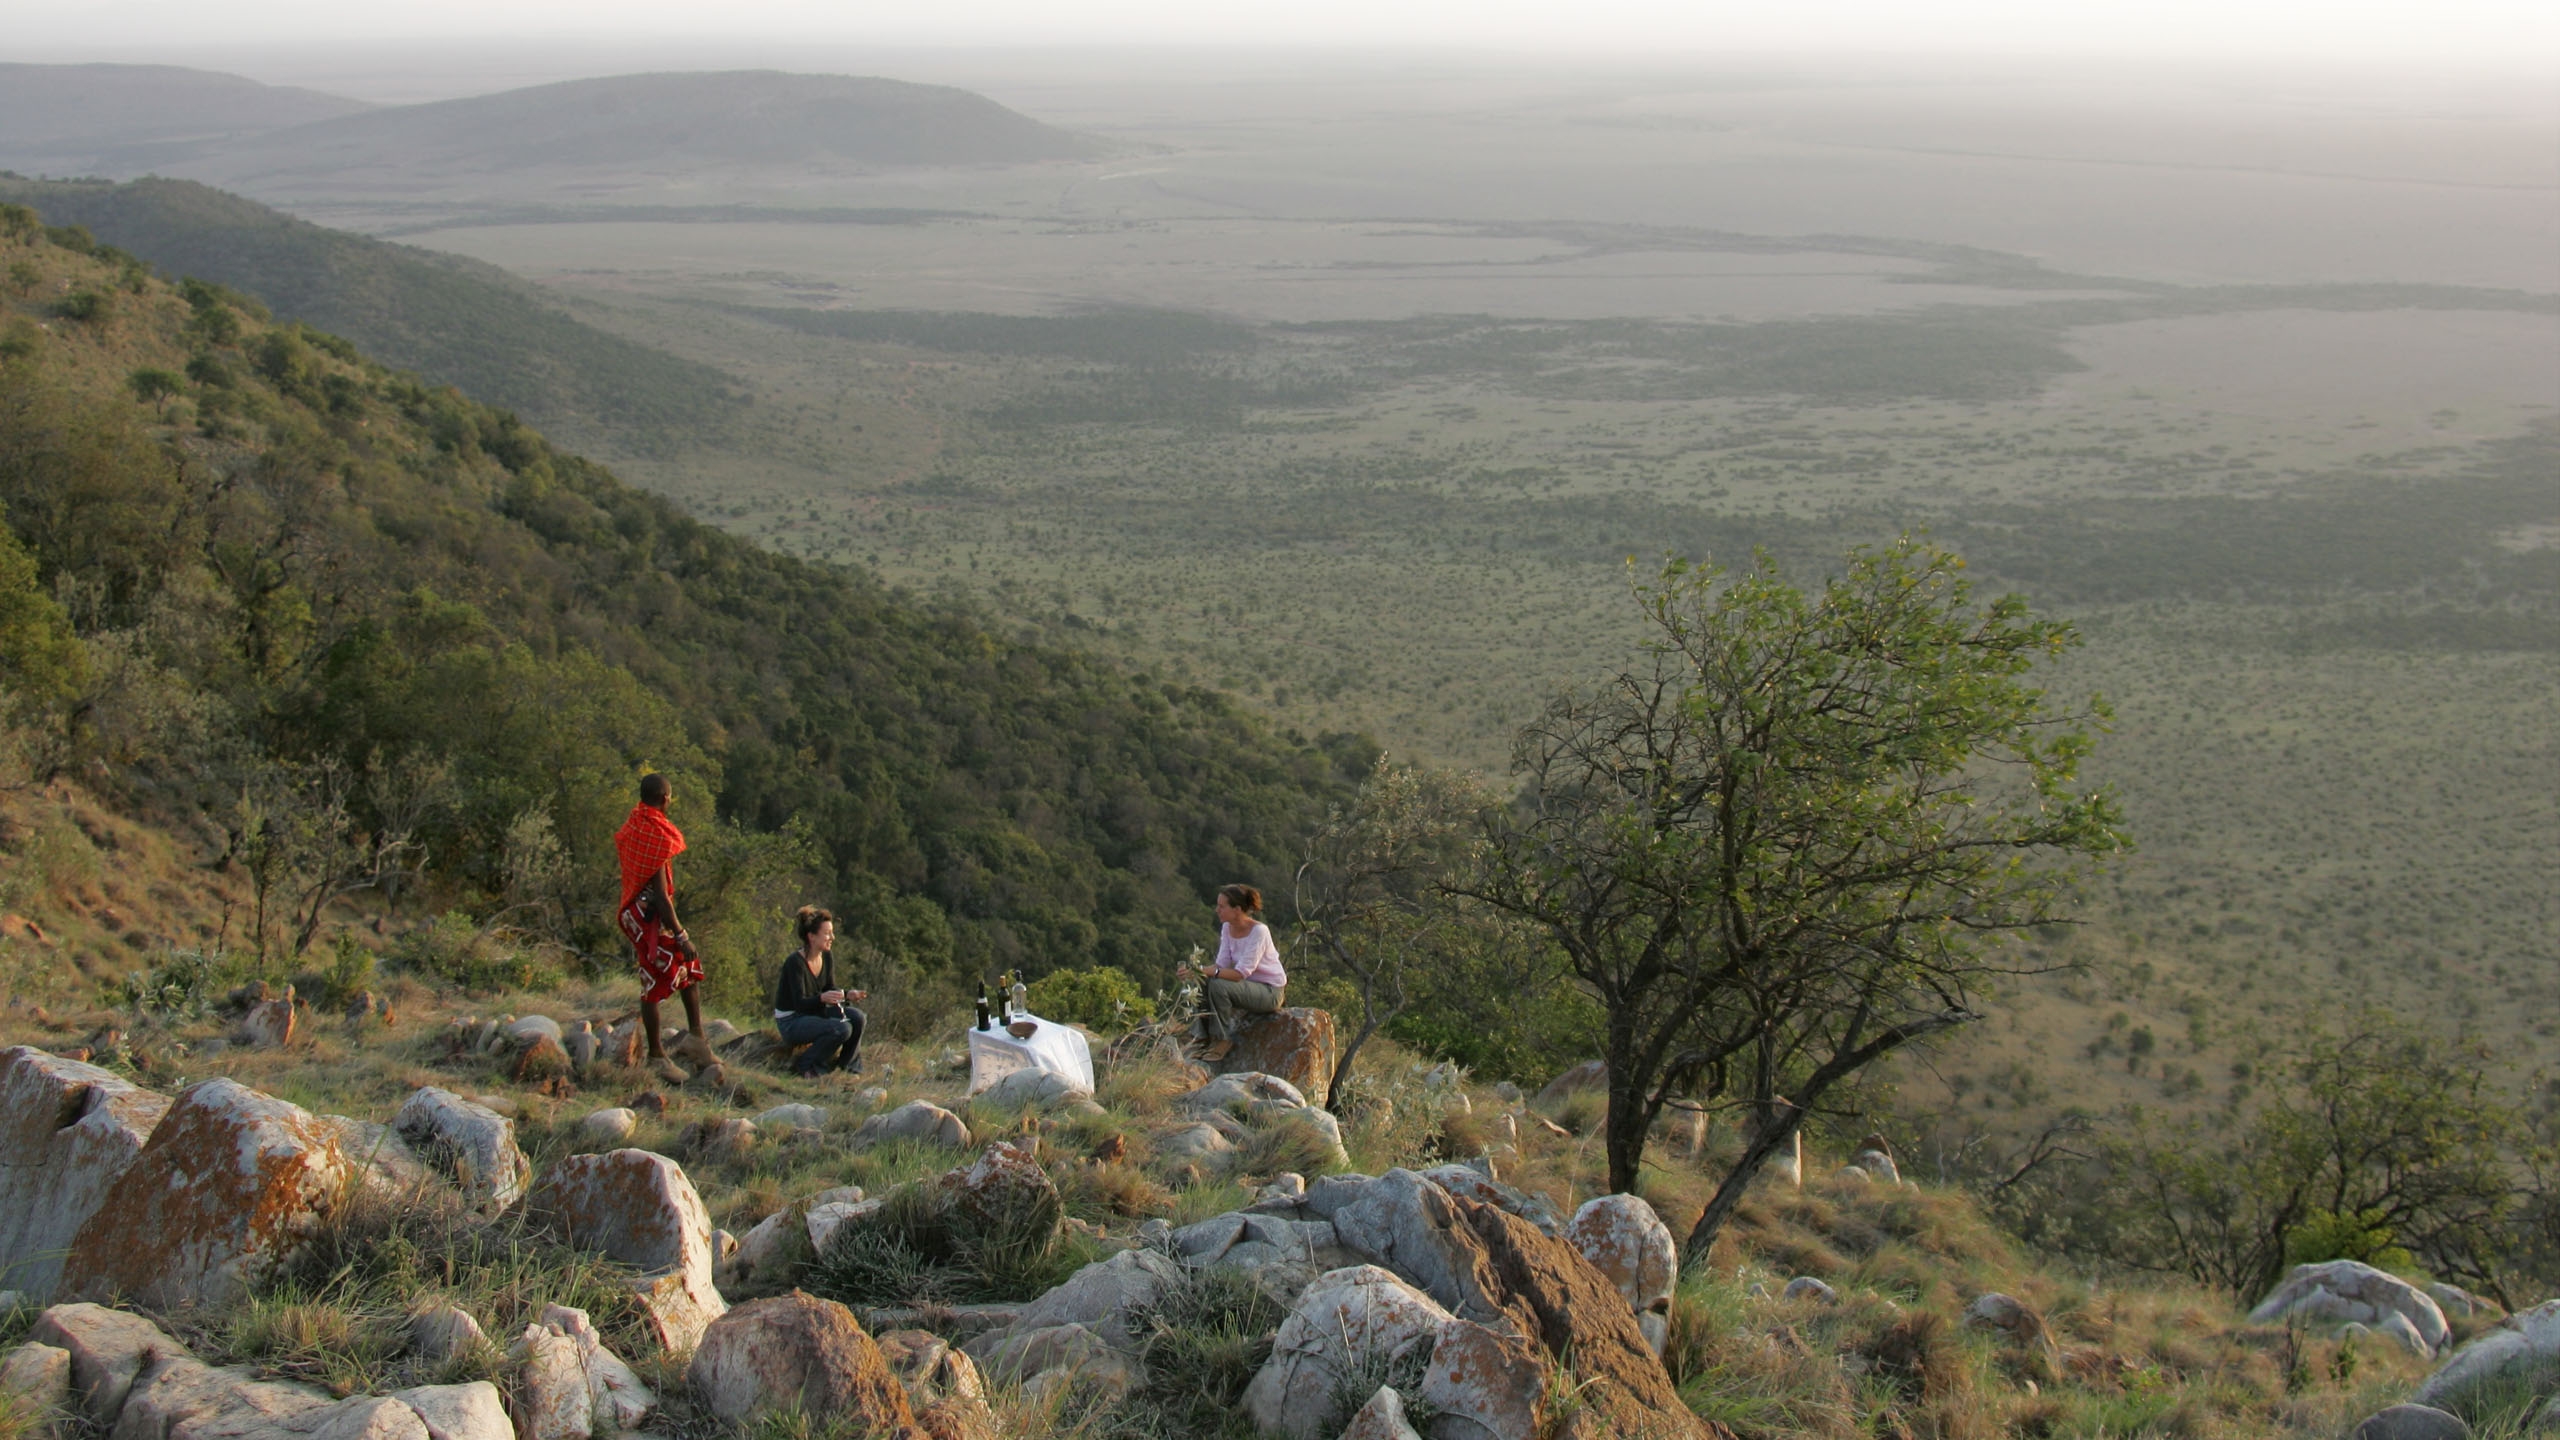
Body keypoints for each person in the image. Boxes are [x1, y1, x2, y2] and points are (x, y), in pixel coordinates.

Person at [615, 773, 705, 1080]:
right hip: (648, 917)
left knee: (684, 969)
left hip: (634, 911)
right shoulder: (658, 837)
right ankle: (657, 1054)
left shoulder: (635, 824)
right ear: (665, 799)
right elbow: (663, 897)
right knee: (657, 978)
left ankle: (696, 1039)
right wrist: (681, 935)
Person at [1178, 883, 1286, 1062]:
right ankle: (1201, 1036)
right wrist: (1195, 973)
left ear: (1237, 909)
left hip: (1269, 991)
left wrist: (1204, 971)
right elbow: (1221, 964)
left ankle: (1222, 1040)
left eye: (1222, 906)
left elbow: (1240, 973)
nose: (1217, 910)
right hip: (1247, 986)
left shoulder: (1259, 931)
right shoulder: (1227, 928)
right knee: (1204, 981)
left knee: (1218, 985)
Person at [774, 906, 865, 1077]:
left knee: (858, 1018)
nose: (832, 937)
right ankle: (807, 1065)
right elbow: (800, 1004)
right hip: (792, 1020)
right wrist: (822, 998)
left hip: (813, 1012)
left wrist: (847, 994)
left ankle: (848, 1066)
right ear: (812, 937)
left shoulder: (827, 956)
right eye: (827, 933)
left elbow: (829, 988)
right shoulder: (795, 963)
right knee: (841, 1029)